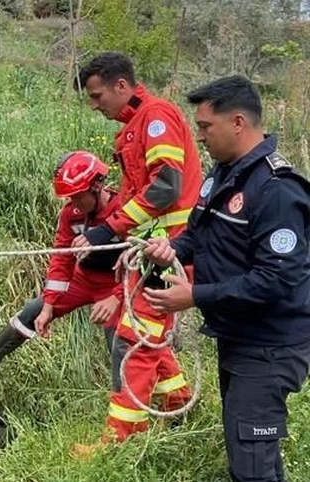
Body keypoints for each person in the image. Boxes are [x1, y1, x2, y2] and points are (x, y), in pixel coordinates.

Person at [143, 75, 310, 482]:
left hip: (270, 346)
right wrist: (171, 250)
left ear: (238, 122)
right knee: (252, 453)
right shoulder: (223, 175)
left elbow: (276, 279)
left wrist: (195, 295)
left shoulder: (276, 190)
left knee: (251, 464)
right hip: (237, 336)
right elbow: (199, 235)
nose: (199, 136)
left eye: (205, 127)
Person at [71, 52, 201, 446]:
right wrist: (111, 233)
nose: (95, 106)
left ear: (121, 86)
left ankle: (120, 439)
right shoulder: (132, 128)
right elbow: (137, 194)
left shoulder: (157, 118)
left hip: (172, 250)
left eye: (97, 96)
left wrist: (107, 230)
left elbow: (166, 187)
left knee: (133, 340)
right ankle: (180, 405)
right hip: (152, 250)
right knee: (147, 334)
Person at [0, 151, 126, 367]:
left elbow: (141, 261)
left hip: (118, 285)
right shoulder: (71, 214)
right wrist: (49, 305)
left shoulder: (125, 210)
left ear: (95, 187)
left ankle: (136, 394)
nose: (73, 202)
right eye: (70, 197)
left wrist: (117, 297)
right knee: (33, 311)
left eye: (77, 196)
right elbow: (62, 260)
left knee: (120, 342)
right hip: (83, 279)